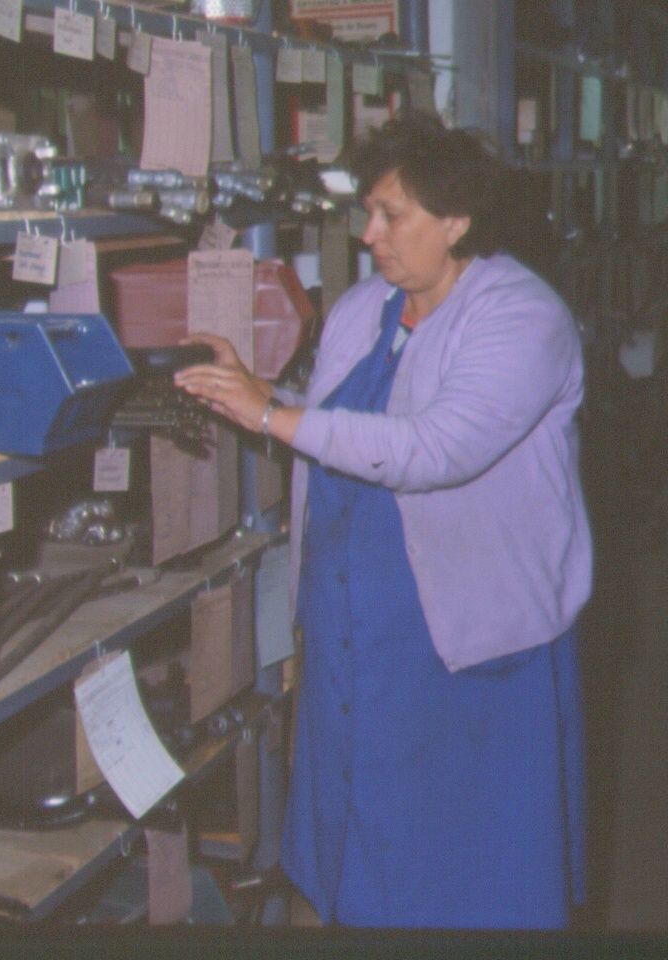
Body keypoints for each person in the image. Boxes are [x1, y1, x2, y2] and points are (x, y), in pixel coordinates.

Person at [173, 109, 591, 929]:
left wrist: (272, 415)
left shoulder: (522, 316)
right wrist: (252, 394)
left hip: (463, 648)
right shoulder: (367, 307)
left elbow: (435, 448)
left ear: (456, 219)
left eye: (391, 215)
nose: (369, 235)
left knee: (465, 872)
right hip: (351, 635)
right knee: (354, 854)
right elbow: (342, 420)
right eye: (367, 211)